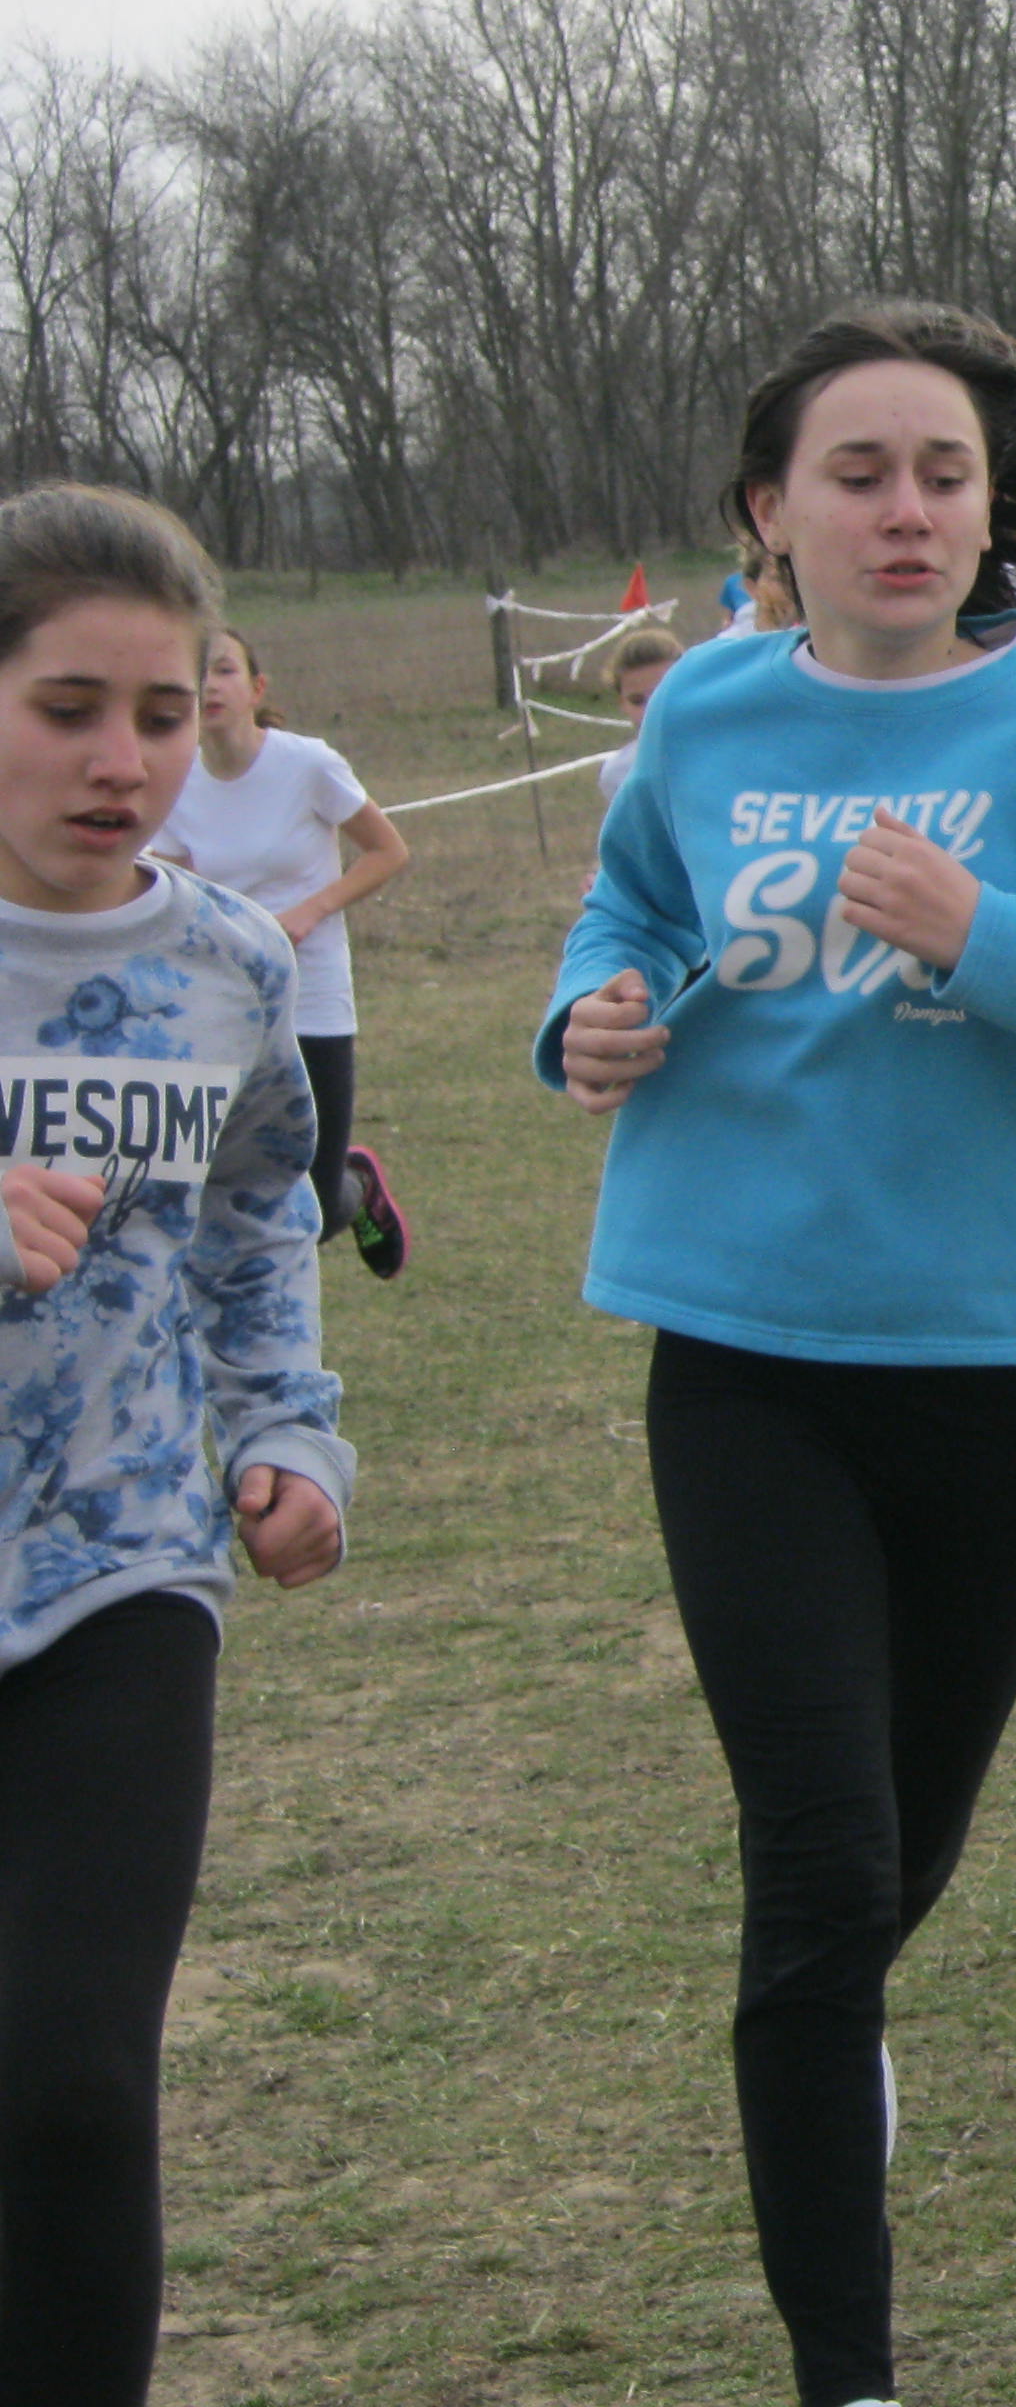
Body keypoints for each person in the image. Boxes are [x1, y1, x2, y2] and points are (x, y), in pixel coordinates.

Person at [540, 303, 1016, 2407]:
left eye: (943, 476)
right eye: (858, 475)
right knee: (818, 1867)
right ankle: (847, 2374)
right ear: (767, 511)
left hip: (1002, 1378)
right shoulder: (705, 712)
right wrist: (586, 1014)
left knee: (889, 1868)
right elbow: (627, 918)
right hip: (744, 1360)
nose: (905, 510)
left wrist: (992, 936)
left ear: (985, 511)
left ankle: (831, 2027)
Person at [0, 481, 350, 2407]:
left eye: (160, 711)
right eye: (68, 708)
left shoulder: (229, 962)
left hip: (118, 1567)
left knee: (72, 2083)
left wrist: (290, 1424)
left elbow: (257, 1214)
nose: (121, 759)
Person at [151, 628, 415, 1279]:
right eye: (197, 673)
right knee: (225, 1175)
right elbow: (176, 885)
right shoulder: (175, 777)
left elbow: (388, 851)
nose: (209, 685)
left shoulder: (307, 764)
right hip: (225, 996)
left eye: (224, 670)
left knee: (316, 1207)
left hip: (313, 990)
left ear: (257, 688)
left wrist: (311, 910)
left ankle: (355, 1184)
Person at [593, 624, 685, 809]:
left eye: (661, 695)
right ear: (622, 703)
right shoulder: (618, 774)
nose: (650, 711)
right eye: (637, 701)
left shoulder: (726, 751)